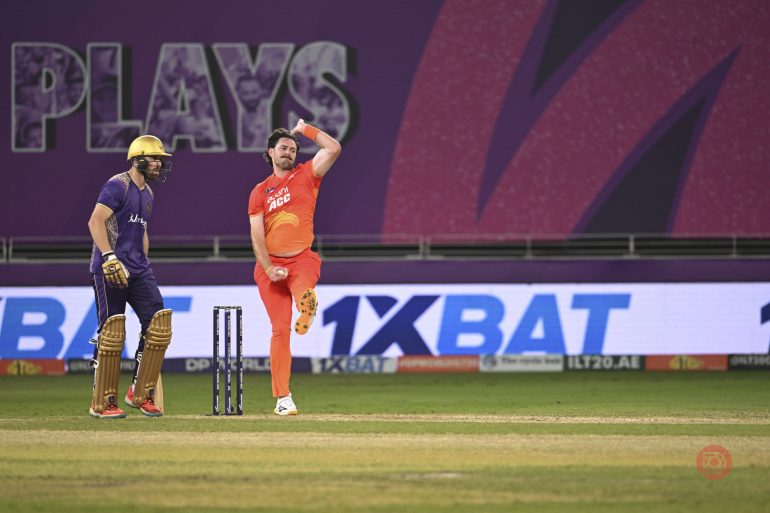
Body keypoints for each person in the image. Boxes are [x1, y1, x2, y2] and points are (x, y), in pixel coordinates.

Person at [248, 119, 341, 415]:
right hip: (269, 267)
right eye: (283, 148)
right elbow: (256, 236)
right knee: (279, 330)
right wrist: (269, 267)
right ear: (270, 153)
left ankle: (306, 307)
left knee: (304, 286)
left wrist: (305, 129)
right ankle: (283, 398)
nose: (289, 152)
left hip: (301, 258)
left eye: (292, 148)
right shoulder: (259, 192)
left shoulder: (308, 174)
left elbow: (334, 148)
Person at [86, 134, 174, 419]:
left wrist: (144, 261)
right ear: (137, 159)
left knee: (158, 325)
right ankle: (103, 402)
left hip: (138, 270)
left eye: (160, 159)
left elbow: (142, 230)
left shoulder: (148, 193)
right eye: (154, 158)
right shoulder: (117, 185)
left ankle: (140, 392)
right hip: (110, 269)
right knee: (111, 333)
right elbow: (95, 220)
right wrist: (109, 257)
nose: (159, 163)